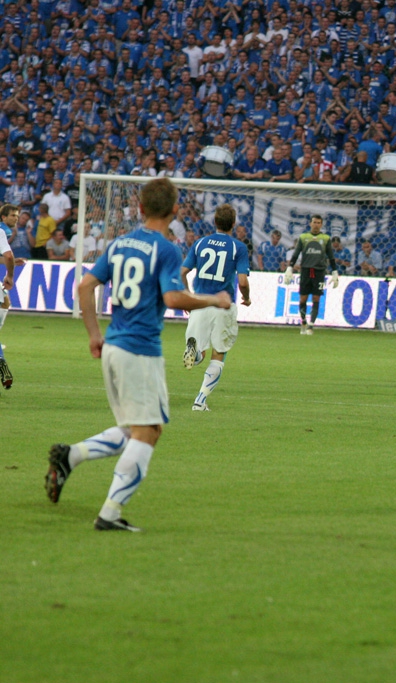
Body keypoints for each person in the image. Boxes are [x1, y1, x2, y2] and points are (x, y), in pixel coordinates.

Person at [44, 178, 231, 532]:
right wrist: (214, 299)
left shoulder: (119, 243)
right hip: (140, 350)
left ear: (140, 208)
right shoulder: (167, 249)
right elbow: (174, 298)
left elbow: (85, 286)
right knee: (148, 433)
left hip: (113, 344)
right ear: (175, 211)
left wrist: (94, 335)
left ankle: (71, 456)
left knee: (138, 429)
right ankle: (109, 514)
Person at [180, 204, 252, 411]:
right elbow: (243, 282)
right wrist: (247, 298)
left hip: (200, 302)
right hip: (223, 304)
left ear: (215, 222)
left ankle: (196, 354)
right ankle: (200, 401)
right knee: (219, 351)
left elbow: (182, 272)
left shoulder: (200, 243)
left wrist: (187, 296)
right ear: (233, 223)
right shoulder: (238, 247)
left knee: (199, 348)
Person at [284, 215, 339, 335]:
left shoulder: (325, 238)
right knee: (303, 298)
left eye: (319, 222)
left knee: (316, 298)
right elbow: (296, 253)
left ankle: (311, 326)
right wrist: (290, 268)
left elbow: (330, 256)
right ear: (310, 223)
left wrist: (335, 272)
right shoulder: (304, 237)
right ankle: (303, 321)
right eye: (314, 222)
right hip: (305, 271)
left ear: (321, 225)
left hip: (319, 271)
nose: (316, 225)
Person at [0, 203, 17, 389]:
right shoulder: (1, 231)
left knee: (5, 302)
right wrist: (10, 274)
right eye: (13, 215)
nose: (16, 218)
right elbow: (9, 256)